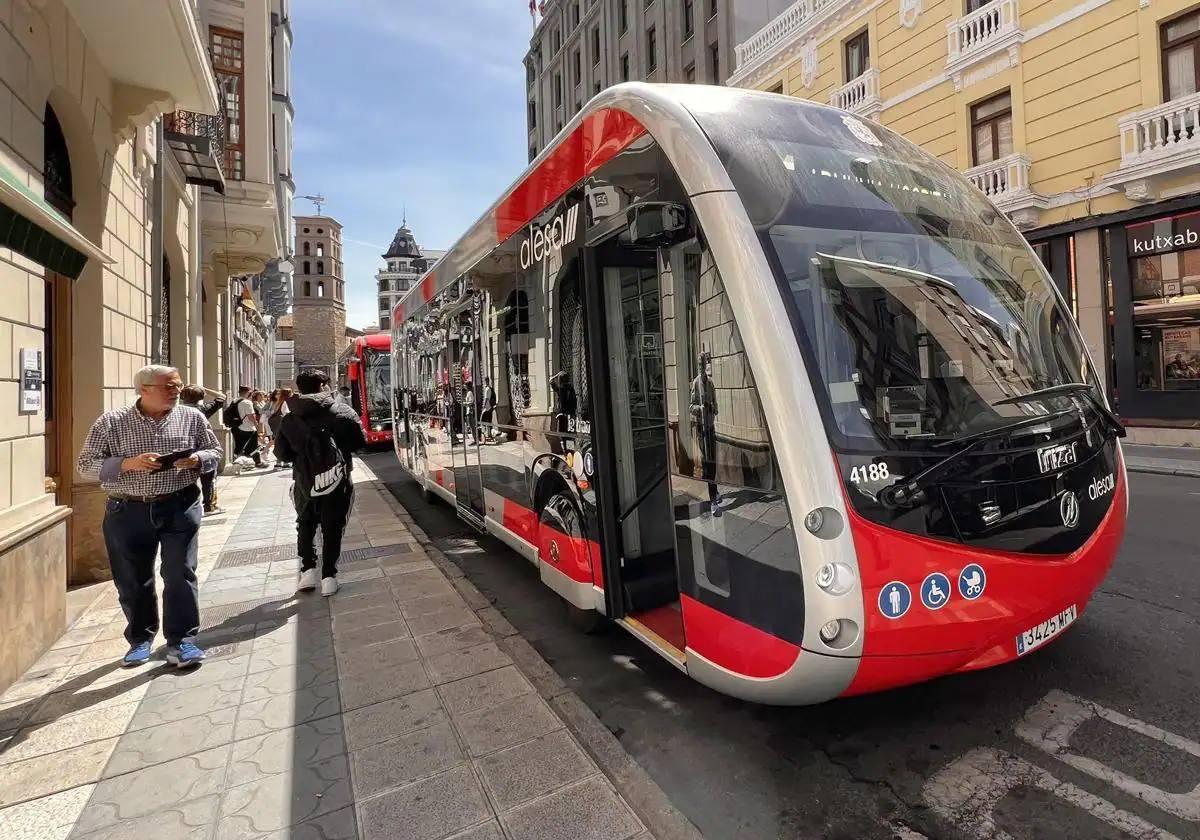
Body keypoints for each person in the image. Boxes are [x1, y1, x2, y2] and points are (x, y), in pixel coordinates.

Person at [76, 365, 221, 667]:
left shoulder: (191, 417)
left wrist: (196, 460)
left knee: (180, 572)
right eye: (168, 386)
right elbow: (85, 465)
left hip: (179, 505)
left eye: (178, 386)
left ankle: (182, 640)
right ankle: (140, 638)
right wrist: (128, 464)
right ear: (143, 389)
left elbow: (214, 452)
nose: (176, 391)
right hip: (127, 509)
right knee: (132, 578)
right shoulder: (112, 422)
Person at [273, 369, 367, 596]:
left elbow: (281, 454)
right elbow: (359, 442)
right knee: (332, 526)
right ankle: (329, 578)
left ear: (300, 388)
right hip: (338, 480)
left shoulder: (290, 417)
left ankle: (307, 572)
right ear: (324, 385)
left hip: (304, 480)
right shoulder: (342, 411)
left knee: (305, 524)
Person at [179, 384, 226, 515]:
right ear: (201, 397)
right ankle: (209, 505)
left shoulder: (175, 411)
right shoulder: (203, 409)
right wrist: (207, 389)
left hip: (184, 449)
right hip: (203, 450)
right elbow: (222, 397)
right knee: (209, 478)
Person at [689, 353, 720, 514]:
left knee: (713, 462)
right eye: (699, 364)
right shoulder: (695, 383)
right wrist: (699, 409)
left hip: (711, 427)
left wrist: (713, 407)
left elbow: (716, 403)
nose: (701, 367)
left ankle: (715, 491)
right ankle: (713, 499)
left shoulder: (711, 383)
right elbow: (691, 406)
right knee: (707, 464)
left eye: (703, 364)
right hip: (702, 429)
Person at [230, 386, 262, 466]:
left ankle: (236, 463)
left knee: (239, 446)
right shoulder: (247, 402)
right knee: (253, 447)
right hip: (248, 428)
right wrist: (257, 426)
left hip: (237, 427)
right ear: (247, 393)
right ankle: (258, 462)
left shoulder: (234, 401)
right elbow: (251, 416)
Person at [267, 388, 292, 468]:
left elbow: (267, 414)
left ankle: (278, 462)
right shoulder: (284, 403)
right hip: (283, 426)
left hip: (274, 426)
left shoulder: (273, 403)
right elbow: (286, 414)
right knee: (285, 444)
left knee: (278, 444)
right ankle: (285, 462)